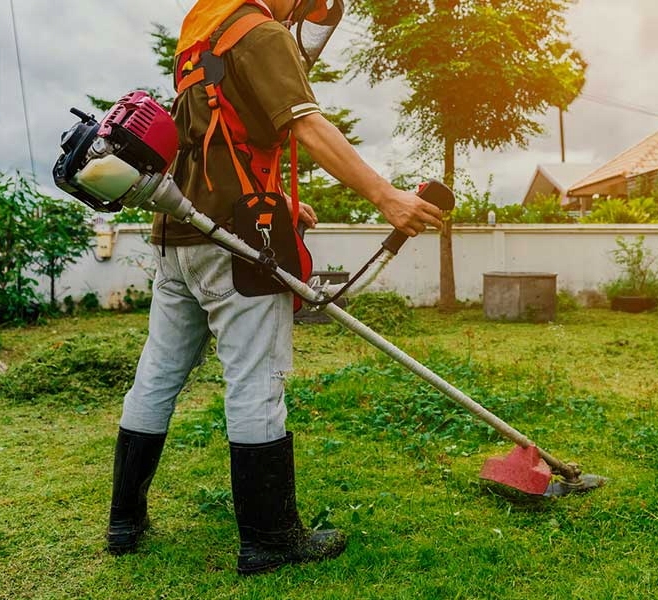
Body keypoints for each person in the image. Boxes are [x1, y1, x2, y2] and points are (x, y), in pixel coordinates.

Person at [106, 0, 443, 576]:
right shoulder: (259, 32)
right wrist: (389, 198)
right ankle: (270, 540)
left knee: (157, 376)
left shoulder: (199, 34)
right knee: (255, 381)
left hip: (177, 231)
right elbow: (307, 124)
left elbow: (212, 139)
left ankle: (124, 522)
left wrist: (280, 200)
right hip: (231, 242)